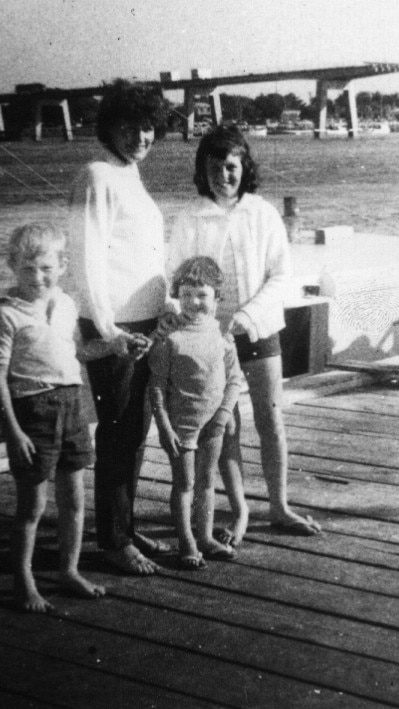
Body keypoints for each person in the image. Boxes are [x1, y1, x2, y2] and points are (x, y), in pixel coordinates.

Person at [169, 124, 321, 541]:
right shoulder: (190, 217)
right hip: (211, 340)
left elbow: (282, 276)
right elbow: (177, 279)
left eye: (232, 166)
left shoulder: (263, 213)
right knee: (226, 425)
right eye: (214, 167)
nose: (224, 175)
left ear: (244, 167)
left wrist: (248, 316)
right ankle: (239, 511)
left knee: (270, 419)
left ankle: (279, 506)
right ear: (203, 170)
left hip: (260, 331)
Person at [68, 79, 172, 575]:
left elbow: (140, 256)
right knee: (118, 433)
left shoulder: (128, 174)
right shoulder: (97, 175)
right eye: (130, 126)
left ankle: (124, 528)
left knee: (135, 432)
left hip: (145, 324)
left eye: (149, 126)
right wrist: (108, 333)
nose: (141, 135)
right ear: (109, 127)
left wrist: (167, 301)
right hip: (116, 330)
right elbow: (85, 262)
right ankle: (112, 541)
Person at [0, 223, 105, 613]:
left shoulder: (67, 304)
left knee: (74, 500)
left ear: (63, 265)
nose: (39, 277)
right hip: (33, 411)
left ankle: (69, 570)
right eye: (29, 269)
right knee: (32, 507)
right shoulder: (5, 315)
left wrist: (117, 345)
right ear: (13, 267)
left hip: (73, 404)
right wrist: (13, 433)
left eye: (47, 268)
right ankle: (25, 582)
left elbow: (77, 354)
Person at [149, 256, 244, 569]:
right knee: (185, 484)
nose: (193, 301)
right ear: (177, 296)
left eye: (202, 295)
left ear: (217, 296)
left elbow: (234, 380)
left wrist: (223, 414)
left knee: (206, 482)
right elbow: (158, 388)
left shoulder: (222, 337)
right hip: (181, 428)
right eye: (186, 295)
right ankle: (187, 541)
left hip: (214, 424)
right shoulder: (170, 340)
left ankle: (204, 536)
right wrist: (164, 427)